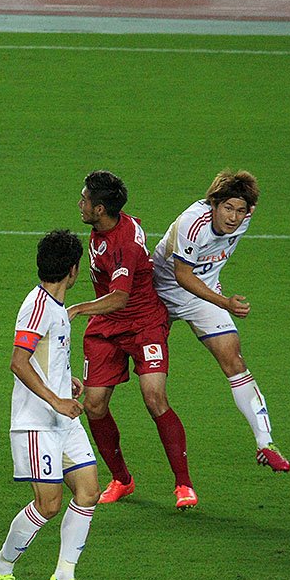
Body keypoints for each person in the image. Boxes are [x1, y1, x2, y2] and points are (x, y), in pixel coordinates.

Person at [67, 171, 197, 509]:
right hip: (107, 327)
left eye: (84, 200)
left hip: (143, 324)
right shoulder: (107, 226)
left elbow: (120, 297)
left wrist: (77, 308)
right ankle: (122, 480)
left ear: (99, 209)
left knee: (154, 398)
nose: (79, 204)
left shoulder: (123, 244)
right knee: (94, 405)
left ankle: (183, 484)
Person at [152, 170, 290, 472]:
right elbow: (182, 275)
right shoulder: (193, 223)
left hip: (202, 296)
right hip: (158, 294)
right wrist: (225, 302)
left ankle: (265, 443)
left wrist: (217, 300)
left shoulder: (245, 217)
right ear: (213, 203)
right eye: (228, 208)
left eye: (240, 210)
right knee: (148, 381)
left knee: (234, 361)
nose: (233, 217)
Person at [0, 230, 100, 580]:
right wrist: (56, 399)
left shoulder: (57, 307)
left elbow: (46, 357)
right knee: (48, 505)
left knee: (89, 491)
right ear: (73, 270)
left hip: (63, 420)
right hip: (37, 423)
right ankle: (1, 565)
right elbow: (18, 362)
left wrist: (66, 382)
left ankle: (63, 577)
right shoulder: (37, 308)